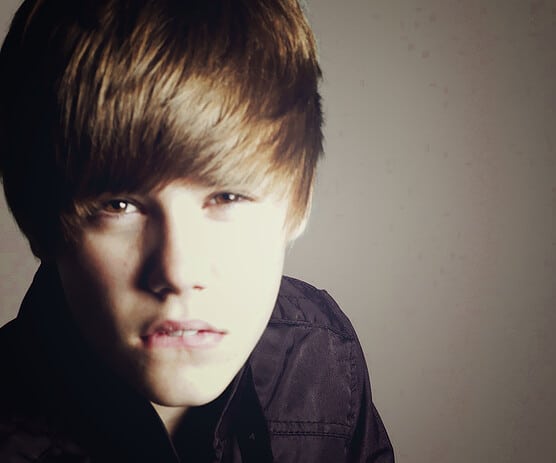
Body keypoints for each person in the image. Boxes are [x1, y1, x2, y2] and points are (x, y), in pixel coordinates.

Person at [0, 0, 394, 461]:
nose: (179, 272)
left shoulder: (322, 350)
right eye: (118, 205)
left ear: (300, 202)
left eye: (227, 197)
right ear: (40, 221)